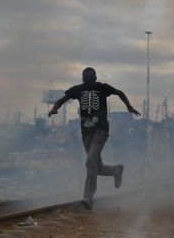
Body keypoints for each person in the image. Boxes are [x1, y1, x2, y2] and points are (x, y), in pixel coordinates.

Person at [48, 67, 140, 209]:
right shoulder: (77, 89)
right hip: (86, 134)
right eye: (87, 77)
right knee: (96, 167)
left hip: (100, 132)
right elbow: (61, 100)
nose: (89, 79)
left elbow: (119, 92)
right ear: (83, 78)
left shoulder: (102, 88)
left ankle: (88, 198)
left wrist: (129, 106)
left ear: (95, 78)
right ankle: (116, 170)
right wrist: (54, 109)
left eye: (92, 77)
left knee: (90, 162)